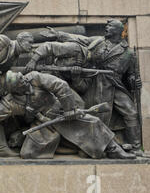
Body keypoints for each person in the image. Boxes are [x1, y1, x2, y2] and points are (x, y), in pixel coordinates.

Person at [0, 70, 136, 160]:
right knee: (28, 153)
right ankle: (79, 148)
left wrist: (70, 109)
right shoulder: (12, 102)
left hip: (64, 113)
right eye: (21, 82)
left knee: (92, 122)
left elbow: (60, 86)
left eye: (23, 78)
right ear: (16, 90)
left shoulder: (35, 77)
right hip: (47, 123)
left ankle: (115, 150)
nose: (25, 80)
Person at [47, 20, 144, 156]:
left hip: (115, 85)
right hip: (96, 82)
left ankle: (136, 147)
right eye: (106, 26)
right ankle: (100, 147)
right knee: (98, 115)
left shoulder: (129, 53)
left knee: (131, 113)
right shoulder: (98, 42)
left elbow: (132, 75)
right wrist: (58, 34)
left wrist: (135, 81)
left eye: (110, 26)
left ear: (118, 30)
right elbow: (80, 39)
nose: (106, 28)